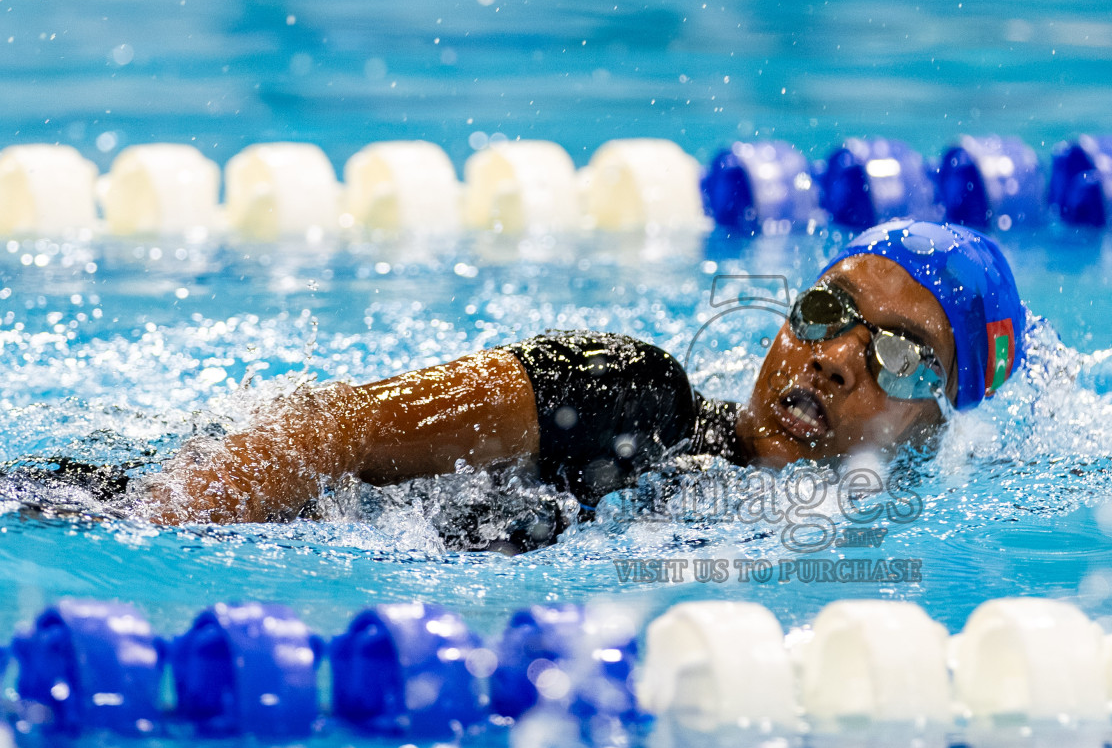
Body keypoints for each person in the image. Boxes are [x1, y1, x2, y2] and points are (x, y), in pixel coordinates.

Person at [8, 220, 1034, 552]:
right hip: (101, 511)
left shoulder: (830, 546)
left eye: (898, 354)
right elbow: (331, 428)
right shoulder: (636, 397)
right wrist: (153, 526)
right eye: (821, 311)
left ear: (940, 426)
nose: (834, 356)